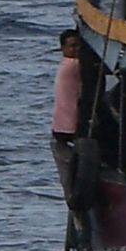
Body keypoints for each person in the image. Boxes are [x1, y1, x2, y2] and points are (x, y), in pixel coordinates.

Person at [50, 28, 84, 192]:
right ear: (63, 49)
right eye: (72, 46)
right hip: (70, 128)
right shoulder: (74, 65)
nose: (77, 49)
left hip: (59, 127)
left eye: (79, 46)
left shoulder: (64, 64)